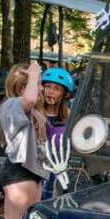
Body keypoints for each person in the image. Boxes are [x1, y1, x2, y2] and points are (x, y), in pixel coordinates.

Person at [0, 62, 49, 219]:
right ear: (21, 88)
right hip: (19, 173)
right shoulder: (11, 105)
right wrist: (34, 71)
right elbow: (30, 99)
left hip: (34, 172)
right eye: (38, 84)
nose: (41, 89)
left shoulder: (34, 111)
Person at [40, 67, 74, 199]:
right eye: (47, 86)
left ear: (65, 94)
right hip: (39, 162)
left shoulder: (69, 116)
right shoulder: (37, 112)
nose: (50, 92)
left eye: (56, 88)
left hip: (58, 166)